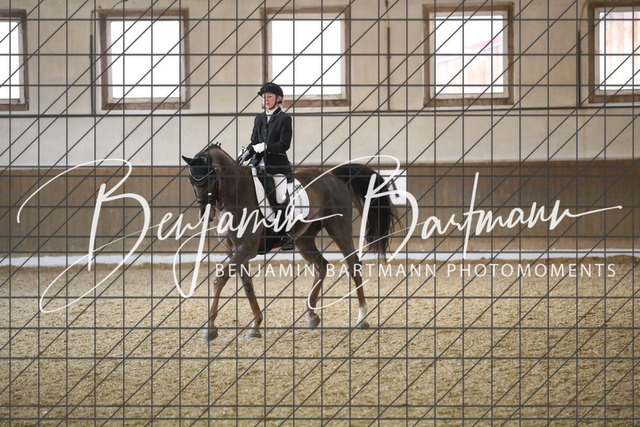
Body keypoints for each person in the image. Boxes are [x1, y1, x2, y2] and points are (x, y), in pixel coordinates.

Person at [249, 82, 295, 250]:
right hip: (257, 165)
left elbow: (284, 144)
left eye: (269, 96)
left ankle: (286, 234)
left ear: (278, 98)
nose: (266, 100)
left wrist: (267, 146)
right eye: (264, 97)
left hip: (277, 167)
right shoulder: (259, 119)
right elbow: (254, 141)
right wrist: (246, 152)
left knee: (280, 197)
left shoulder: (285, 119)